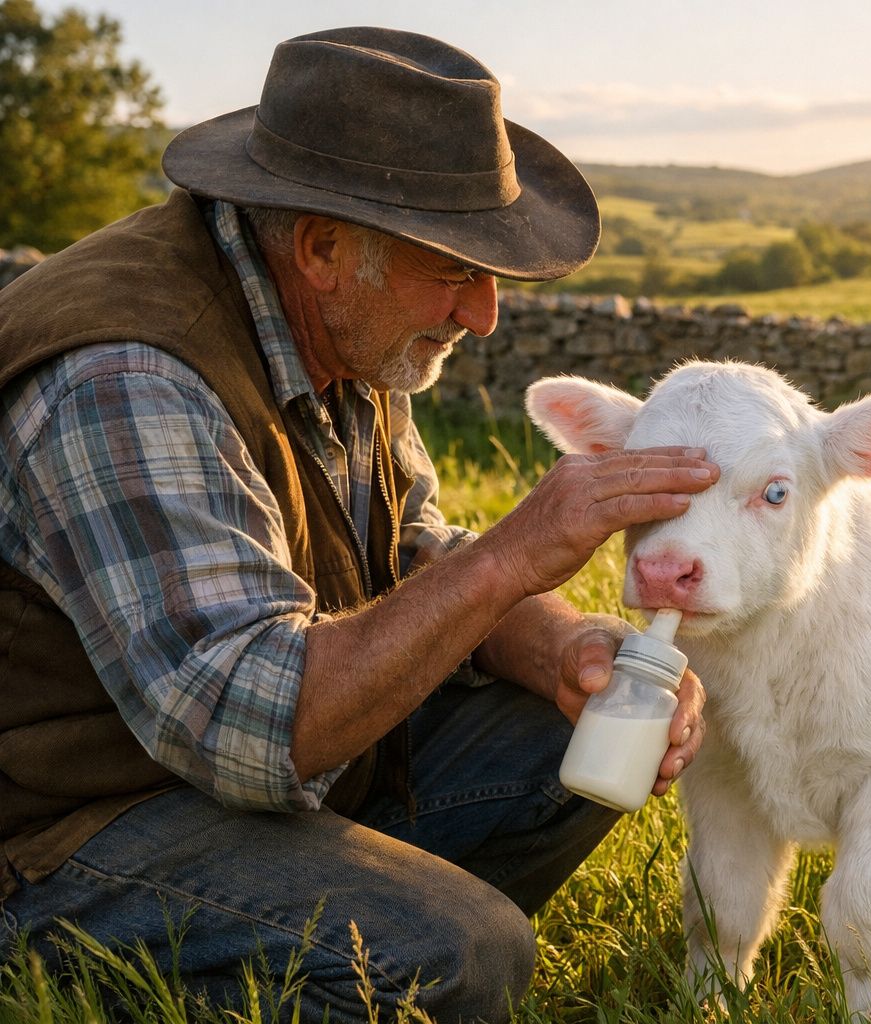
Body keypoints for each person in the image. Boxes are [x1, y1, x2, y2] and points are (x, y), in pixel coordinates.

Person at [0, 27, 717, 1022]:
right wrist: (514, 554)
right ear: (324, 247)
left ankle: (332, 933)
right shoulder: (129, 372)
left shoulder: (346, 323)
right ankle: (99, 981)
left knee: (582, 743)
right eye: (456, 267)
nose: (486, 313)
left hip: (240, 769)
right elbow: (249, 725)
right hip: (66, 828)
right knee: (461, 952)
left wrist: (563, 645)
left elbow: (411, 547)